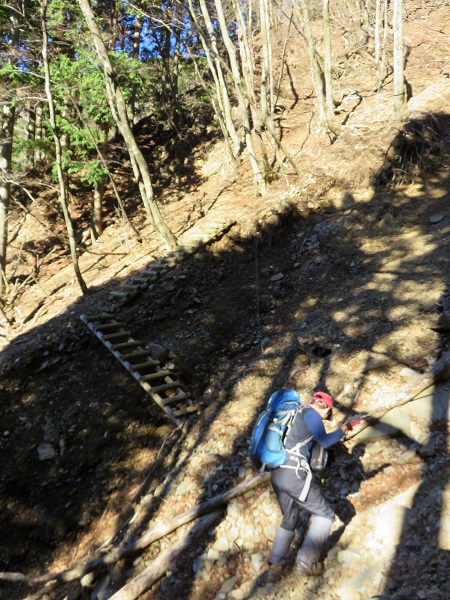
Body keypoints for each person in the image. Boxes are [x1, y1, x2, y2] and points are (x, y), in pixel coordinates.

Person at [267, 390, 359, 582]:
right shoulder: (311, 414)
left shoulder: (294, 414)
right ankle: (306, 563)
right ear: (324, 408)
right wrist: (346, 427)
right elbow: (325, 441)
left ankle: (275, 566)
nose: (326, 418)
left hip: (276, 472)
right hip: (294, 472)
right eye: (328, 414)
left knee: (289, 518)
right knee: (325, 515)